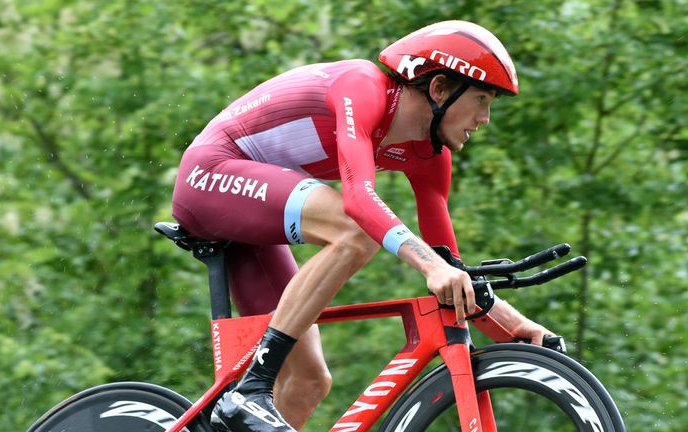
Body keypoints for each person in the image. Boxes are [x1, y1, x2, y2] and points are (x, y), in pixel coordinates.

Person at [171, 20, 555, 432]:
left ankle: (250, 396)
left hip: (253, 211)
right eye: (481, 99)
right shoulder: (363, 87)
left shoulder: (429, 156)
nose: (485, 119)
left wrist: (509, 322)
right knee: (354, 233)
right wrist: (431, 268)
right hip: (210, 176)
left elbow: (449, 267)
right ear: (440, 89)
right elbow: (359, 200)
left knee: (308, 381)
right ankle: (251, 389)